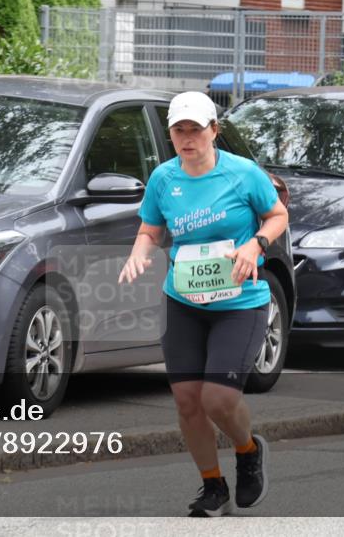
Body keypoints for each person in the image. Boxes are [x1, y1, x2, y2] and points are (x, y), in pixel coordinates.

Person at [118, 90, 289, 517]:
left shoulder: (243, 174)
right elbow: (150, 230)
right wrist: (140, 251)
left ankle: (248, 451)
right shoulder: (163, 179)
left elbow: (278, 215)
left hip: (239, 302)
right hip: (184, 302)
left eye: (197, 128)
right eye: (180, 130)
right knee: (187, 400)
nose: (188, 137)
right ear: (171, 134)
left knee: (217, 398)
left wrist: (255, 245)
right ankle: (213, 486)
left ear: (214, 130)